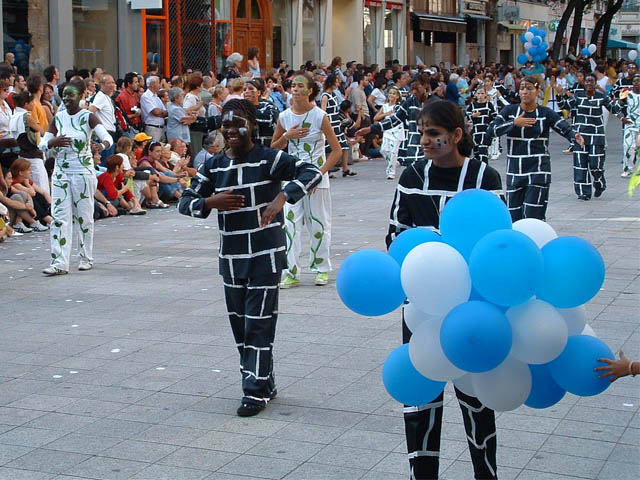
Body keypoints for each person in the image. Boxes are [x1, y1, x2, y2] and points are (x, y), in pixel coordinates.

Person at [178, 99, 322, 417]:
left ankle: (253, 391)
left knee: (259, 323)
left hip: (265, 255)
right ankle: (264, 379)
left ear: (252, 126)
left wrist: (283, 197)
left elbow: (311, 172)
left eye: (236, 123)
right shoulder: (213, 166)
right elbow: (185, 200)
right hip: (231, 257)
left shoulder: (270, 159)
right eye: (225, 124)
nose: (230, 130)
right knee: (240, 325)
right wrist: (210, 202)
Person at [387, 100, 504, 480]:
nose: (425, 140)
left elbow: (500, 243)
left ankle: (486, 474)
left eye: (433, 133)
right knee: (421, 399)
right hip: (420, 307)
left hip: (473, 307)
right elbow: (394, 235)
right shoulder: (411, 176)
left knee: (476, 399)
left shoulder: (484, 178)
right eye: (422, 132)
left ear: (456, 135)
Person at [271, 72, 342, 288]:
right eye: (293, 85)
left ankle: (321, 268)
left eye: (300, 85)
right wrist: (286, 137)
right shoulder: (284, 117)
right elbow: (273, 149)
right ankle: (291, 271)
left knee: (318, 223)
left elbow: (336, 151)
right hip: (292, 177)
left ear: (310, 90)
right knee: (290, 226)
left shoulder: (319, 116)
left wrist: (319, 175)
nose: (295, 89)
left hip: (317, 177)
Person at [41, 79, 113, 275]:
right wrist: (52, 142)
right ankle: (59, 262)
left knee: (84, 216)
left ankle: (85, 257)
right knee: (59, 217)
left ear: (82, 96)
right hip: (61, 173)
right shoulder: (59, 118)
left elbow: (107, 137)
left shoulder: (88, 117)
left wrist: (102, 146)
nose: (67, 100)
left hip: (82, 172)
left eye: (71, 96)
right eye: (64, 96)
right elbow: (42, 144)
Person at [488, 76, 584, 221]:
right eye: (522, 88)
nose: (525, 92)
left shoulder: (545, 113)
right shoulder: (510, 111)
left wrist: (574, 136)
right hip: (515, 172)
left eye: (529, 88)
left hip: (538, 170)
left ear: (537, 91)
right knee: (514, 217)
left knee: (534, 215)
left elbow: (564, 127)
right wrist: (514, 123)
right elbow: (492, 130)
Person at [558, 73, 617, 200]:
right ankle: (583, 192)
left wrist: (622, 103)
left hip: (596, 136)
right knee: (580, 165)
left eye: (592, 82)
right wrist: (559, 94)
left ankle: (599, 184)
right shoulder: (578, 97)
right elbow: (564, 106)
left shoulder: (601, 97)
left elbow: (614, 109)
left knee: (596, 166)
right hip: (581, 136)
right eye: (587, 81)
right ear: (584, 84)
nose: (589, 84)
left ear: (595, 84)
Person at [357, 73, 435, 166]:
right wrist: (371, 129)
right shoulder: (410, 101)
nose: (414, 92)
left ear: (425, 86)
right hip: (413, 150)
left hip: (431, 149)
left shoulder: (435, 103)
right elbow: (395, 119)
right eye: (412, 89)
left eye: (416, 89)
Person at [321, 74, 355, 177]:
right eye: (336, 82)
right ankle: (327, 170)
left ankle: (345, 168)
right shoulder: (325, 95)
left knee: (343, 145)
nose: (338, 83)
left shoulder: (334, 95)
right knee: (329, 147)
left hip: (336, 122)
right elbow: (323, 111)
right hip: (330, 122)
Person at [374, 86, 404, 179]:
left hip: (396, 130)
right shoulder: (385, 106)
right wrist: (386, 114)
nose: (391, 95)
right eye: (390, 93)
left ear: (397, 96)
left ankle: (391, 172)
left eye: (394, 93)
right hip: (387, 130)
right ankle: (394, 162)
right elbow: (376, 118)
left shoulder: (398, 107)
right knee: (384, 150)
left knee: (393, 152)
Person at [89, 73, 117, 163]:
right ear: (102, 85)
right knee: (105, 164)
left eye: (113, 82)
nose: (112, 85)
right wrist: (97, 132)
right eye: (109, 83)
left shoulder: (107, 97)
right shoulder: (100, 96)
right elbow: (91, 111)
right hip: (104, 135)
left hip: (110, 135)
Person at [243, 78, 279, 147]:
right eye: (244, 90)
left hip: (266, 148)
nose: (246, 92)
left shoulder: (268, 105)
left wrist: (245, 115)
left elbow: (270, 119)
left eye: (251, 89)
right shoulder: (239, 106)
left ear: (259, 92)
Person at [466, 86, 497, 164]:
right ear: (475, 94)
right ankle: (478, 171)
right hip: (476, 131)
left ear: (485, 94)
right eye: (478, 93)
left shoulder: (489, 105)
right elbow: (467, 114)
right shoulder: (473, 105)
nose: (480, 95)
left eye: (482, 93)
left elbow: (495, 116)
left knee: (483, 152)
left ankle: (485, 169)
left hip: (485, 131)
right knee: (476, 153)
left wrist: (491, 126)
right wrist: (472, 116)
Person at [617, 74, 640, 177]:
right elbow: (616, 107)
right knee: (628, 146)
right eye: (635, 82)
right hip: (630, 123)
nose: (637, 84)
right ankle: (627, 169)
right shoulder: (627, 94)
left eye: (639, 82)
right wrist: (622, 118)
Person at [141, 75, 168, 142]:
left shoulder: (156, 97)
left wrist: (162, 113)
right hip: (152, 128)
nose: (160, 85)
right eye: (158, 83)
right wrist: (162, 113)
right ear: (152, 85)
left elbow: (164, 111)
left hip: (161, 128)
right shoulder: (146, 96)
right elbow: (156, 112)